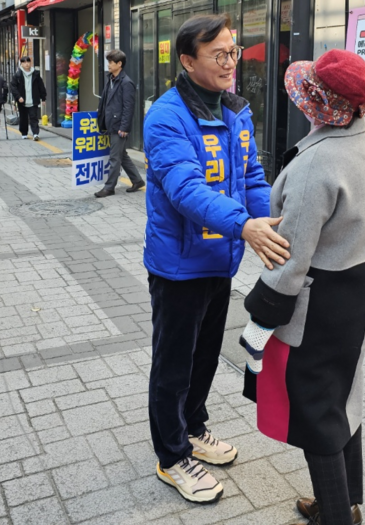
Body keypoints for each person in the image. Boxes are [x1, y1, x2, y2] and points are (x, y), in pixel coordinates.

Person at [143, 13, 290, 505]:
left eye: (235, 52)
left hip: (219, 259)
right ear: (188, 61)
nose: (232, 63)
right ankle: (171, 456)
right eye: (219, 55)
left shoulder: (236, 111)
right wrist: (243, 226)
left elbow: (251, 180)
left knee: (205, 355)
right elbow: (185, 188)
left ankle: (194, 426)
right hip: (179, 265)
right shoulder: (166, 117)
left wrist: (276, 225)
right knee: (173, 363)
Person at [241, 49, 365, 525]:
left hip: (316, 304)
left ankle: (336, 517)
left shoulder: (316, 165)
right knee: (343, 398)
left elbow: (290, 258)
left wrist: (259, 320)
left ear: (321, 103)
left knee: (314, 410)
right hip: (356, 290)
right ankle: (346, 502)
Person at [94, 49, 145, 198]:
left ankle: (109, 187)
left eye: (110, 62)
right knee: (122, 155)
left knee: (115, 157)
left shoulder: (126, 83)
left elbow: (129, 108)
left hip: (119, 126)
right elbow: (106, 100)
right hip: (110, 123)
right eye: (108, 61)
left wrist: (124, 127)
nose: (108, 65)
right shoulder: (110, 79)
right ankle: (137, 180)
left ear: (119, 64)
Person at [9, 56, 46, 140]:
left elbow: (41, 86)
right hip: (22, 101)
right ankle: (24, 133)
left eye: (28, 62)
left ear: (30, 63)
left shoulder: (36, 74)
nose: (26, 64)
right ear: (21, 64)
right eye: (24, 62)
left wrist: (43, 98)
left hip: (33, 100)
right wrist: (18, 97)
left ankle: (35, 133)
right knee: (23, 118)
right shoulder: (18, 75)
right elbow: (13, 87)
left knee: (34, 117)